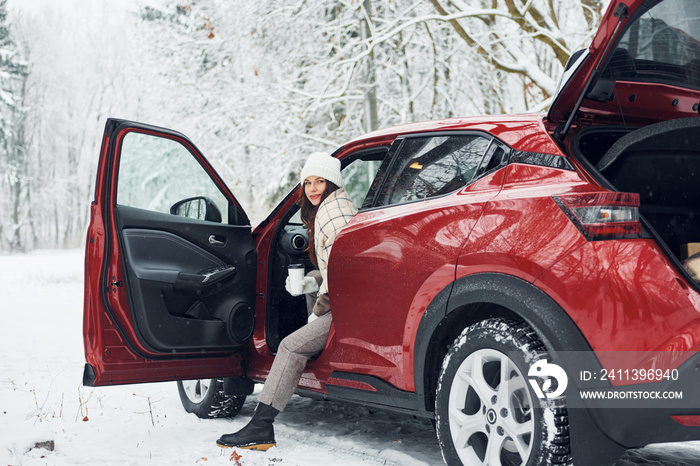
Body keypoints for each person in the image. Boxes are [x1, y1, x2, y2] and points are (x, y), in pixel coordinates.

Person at [216, 151, 358, 450]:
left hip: (346, 307)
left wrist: (318, 312)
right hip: (348, 300)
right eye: (308, 183)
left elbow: (340, 280)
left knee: (290, 346)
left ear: (332, 183)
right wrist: (312, 281)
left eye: (321, 181)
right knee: (306, 292)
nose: (314, 188)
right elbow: (338, 268)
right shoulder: (334, 209)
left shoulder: (333, 218)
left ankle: (261, 426)